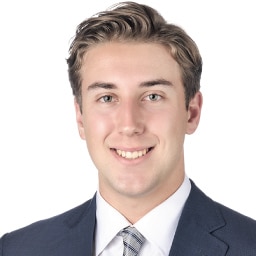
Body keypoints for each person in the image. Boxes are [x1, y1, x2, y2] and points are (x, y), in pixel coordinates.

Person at [1, 1, 256, 255]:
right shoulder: (17, 249)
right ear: (80, 117)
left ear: (192, 112)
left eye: (153, 96)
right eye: (107, 98)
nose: (129, 124)